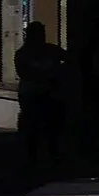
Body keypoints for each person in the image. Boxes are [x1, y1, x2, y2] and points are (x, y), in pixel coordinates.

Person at [13, 19, 68, 181]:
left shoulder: (51, 50)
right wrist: (52, 72)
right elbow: (24, 73)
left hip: (46, 94)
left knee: (51, 126)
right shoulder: (23, 54)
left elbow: (69, 60)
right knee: (34, 126)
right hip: (33, 94)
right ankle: (35, 157)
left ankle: (51, 155)